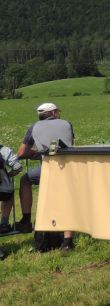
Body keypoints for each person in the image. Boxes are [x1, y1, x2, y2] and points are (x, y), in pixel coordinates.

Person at [13, 103, 76, 250]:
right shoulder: (67, 124)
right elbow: (70, 145)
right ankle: (67, 242)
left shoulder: (34, 127)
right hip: (69, 168)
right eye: (58, 112)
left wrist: (39, 154)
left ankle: (26, 219)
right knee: (66, 200)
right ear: (53, 113)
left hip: (48, 168)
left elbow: (21, 153)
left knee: (25, 180)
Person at [0, 143, 24, 235]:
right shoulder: (4, 150)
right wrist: (8, 175)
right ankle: (4, 224)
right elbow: (18, 167)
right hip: (3, 188)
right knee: (8, 197)